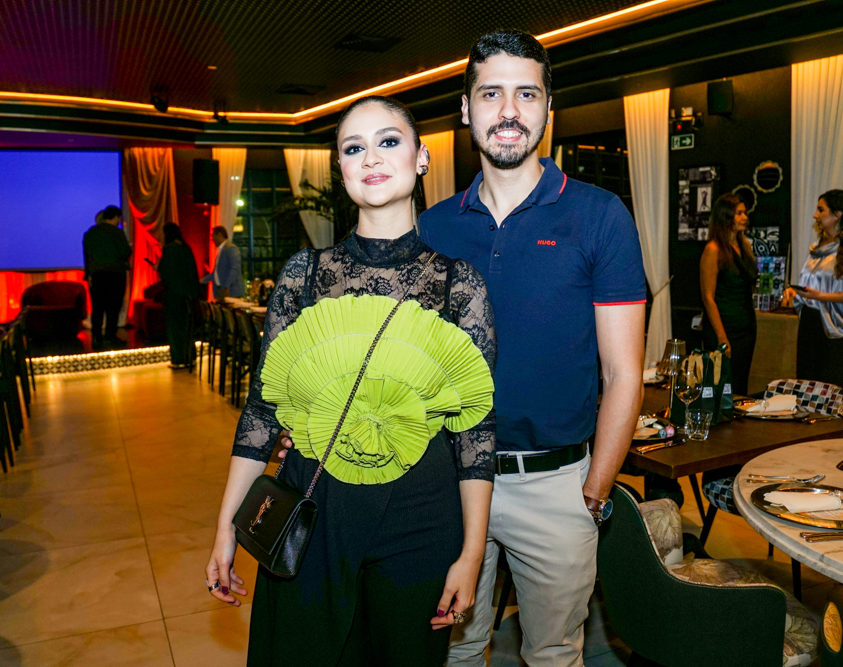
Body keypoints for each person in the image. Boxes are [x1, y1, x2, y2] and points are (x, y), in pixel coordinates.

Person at [205, 96, 497, 666]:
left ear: (421, 157)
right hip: (313, 507)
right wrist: (226, 526)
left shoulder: (460, 286)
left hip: (421, 515)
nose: (372, 158)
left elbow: (476, 434)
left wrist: (471, 552)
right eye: (353, 148)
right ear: (341, 170)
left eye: (388, 141)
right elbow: (261, 413)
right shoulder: (303, 275)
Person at [421, 30, 646, 667]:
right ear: (466, 109)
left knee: (552, 654)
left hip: (557, 487)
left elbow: (623, 374)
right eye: (491, 93)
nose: (509, 110)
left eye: (526, 93)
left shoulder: (600, 216)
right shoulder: (433, 226)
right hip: (450, 479)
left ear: (550, 107)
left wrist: (593, 493)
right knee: (454, 653)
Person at [784, 189, 843, 386]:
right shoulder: (817, 248)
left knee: (833, 384)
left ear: (837, 215)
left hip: (837, 328)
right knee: (808, 383)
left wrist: (820, 297)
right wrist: (796, 292)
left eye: (821, 210)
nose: (815, 215)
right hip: (811, 322)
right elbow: (809, 285)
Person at [700, 193, 758, 396]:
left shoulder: (745, 245)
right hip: (723, 327)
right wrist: (722, 337)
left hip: (746, 326)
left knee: (740, 385)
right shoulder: (713, 249)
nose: (744, 217)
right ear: (726, 216)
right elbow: (708, 297)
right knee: (721, 386)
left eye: (745, 213)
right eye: (739, 213)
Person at [82, 205, 131, 348]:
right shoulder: (117, 233)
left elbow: (87, 255)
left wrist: (89, 274)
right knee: (113, 307)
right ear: (115, 217)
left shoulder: (91, 233)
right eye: (119, 219)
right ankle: (110, 336)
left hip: (97, 275)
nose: (119, 221)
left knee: (97, 307)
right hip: (116, 274)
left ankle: (96, 337)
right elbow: (126, 252)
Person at [157, 223, 200, 370]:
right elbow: (193, 273)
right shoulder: (186, 248)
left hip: (173, 294)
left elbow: (165, 274)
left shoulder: (169, 249)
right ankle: (190, 357)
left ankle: (178, 358)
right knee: (187, 327)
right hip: (188, 295)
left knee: (175, 328)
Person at [202, 225, 245, 300]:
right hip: (221, 291)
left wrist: (226, 286)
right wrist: (203, 280)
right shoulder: (221, 250)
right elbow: (216, 273)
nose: (212, 239)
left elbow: (235, 269)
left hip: (230, 292)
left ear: (219, 235)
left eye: (213, 236)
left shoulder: (231, 248)